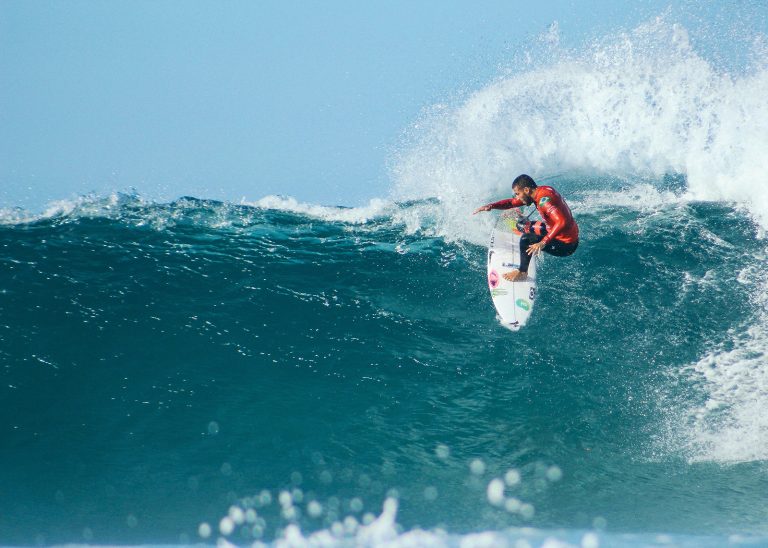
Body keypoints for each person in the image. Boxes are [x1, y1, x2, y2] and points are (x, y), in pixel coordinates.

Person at [473, 174, 579, 281]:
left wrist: (543, 242)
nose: (517, 197)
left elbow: (562, 222)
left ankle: (522, 272)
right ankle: (530, 238)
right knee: (522, 226)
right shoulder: (540, 192)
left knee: (526, 239)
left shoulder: (544, 201)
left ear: (527, 190)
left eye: (518, 194)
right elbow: (511, 202)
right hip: (558, 231)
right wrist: (491, 206)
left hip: (566, 245)